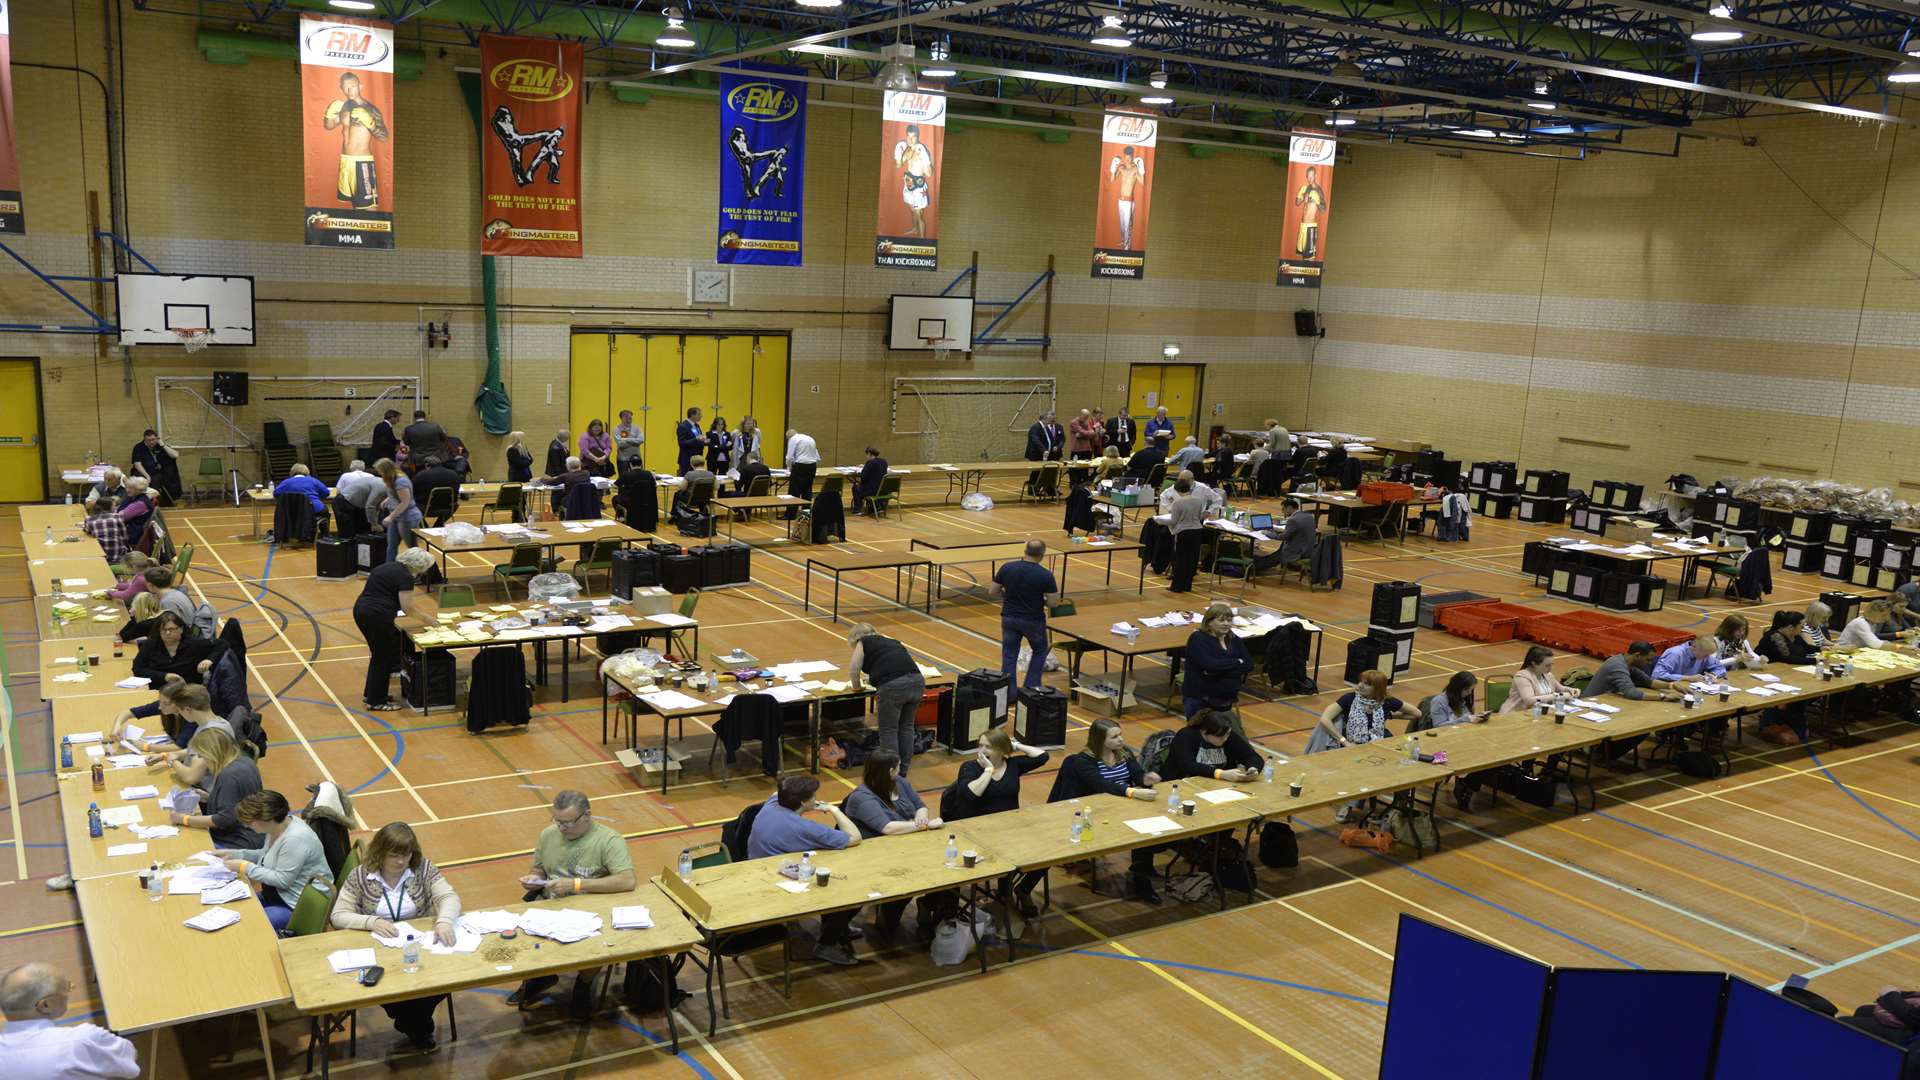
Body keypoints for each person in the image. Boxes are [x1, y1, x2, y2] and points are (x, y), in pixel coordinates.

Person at [329, 821, 460, 1052]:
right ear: (380, 853)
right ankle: (420, 1028)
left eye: (406, 855)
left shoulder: (424, 869)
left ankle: (409, 1023)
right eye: (394, 856)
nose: (401, 862)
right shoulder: (360, 876)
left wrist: (444, 921)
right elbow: (338, 915)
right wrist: (372, 922)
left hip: (419, 947)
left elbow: (448, 897)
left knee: (443, 978)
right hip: (380, 952)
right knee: (385, 985)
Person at [510, 792, 636, 1017]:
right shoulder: (548, 835)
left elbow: (627, 880)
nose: (562, 828)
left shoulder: (609, 840)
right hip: (551, 905)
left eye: (567, 822)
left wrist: (576, 884)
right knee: (522, 936)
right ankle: (541, 976)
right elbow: (539, 868)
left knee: (594, 944)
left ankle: (584, 984)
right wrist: (533, 879)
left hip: (590, 911)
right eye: (557, 821)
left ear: (587, 815)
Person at [747, 776, 865, 965]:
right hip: (777, 885)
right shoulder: (805, 828)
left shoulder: (771, 804)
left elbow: (776, 792)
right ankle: (826, 944)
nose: (816, 798)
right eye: (813, 796)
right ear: (803, 801)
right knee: (852, 895)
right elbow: (854, 837)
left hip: (756, 871)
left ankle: (835, 927)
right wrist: (834, 809)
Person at [1046, 717, 1162, 900]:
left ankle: (1141, 876)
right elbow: (1101, 785)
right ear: (1101, 740)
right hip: (1097, 810)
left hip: (1123, 803)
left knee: (1147, 828)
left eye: (1120, 734)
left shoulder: (1124, 753)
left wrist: (1147, 779)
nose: (1121, 740)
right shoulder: (1083, 761)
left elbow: (1137, 775)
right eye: (1115, 737)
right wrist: (1132, 792)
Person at [946, 727, 1049, 916]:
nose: (982, 750)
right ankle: (1005, 893)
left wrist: (1015, 745)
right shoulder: (969, 767)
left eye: (989, 747)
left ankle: (1022, 889)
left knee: (1047, 853)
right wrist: (988, 770)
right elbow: (971, 795)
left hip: (1010, 829)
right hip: (979, 833)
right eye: (980, 746)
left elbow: (1042, 757)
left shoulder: (1013, 765)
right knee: (1006, 857)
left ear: (1002, 750)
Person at [841, 751, 941, 938]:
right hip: (876, 855)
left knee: (942, 874)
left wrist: (921, 817)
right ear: (888, 771)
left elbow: (920, 805)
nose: (900, 769)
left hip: (907, 846)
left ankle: (931, 909)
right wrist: (924, 825)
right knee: (906, 885)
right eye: (897, 767)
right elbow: (887, 828)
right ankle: (887, 923)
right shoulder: (862, 797)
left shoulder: (900, 783)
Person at [215, 790, 331, 933]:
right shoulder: (277, 827)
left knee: (245, 926)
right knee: (231, 911)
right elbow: (266, 856)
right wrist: (235, 854)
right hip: (275, 895)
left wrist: (245, 867)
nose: (246, 826)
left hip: (295, 905)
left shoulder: (294, 839)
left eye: (250, 822)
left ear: (268, 819)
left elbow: (283, 880)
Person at [0, 963, 140, 1078]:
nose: (68, 992)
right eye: (66, 988)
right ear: (46, 1005)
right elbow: (128, 1059)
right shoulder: (82, 1039)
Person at [1313, 672, 1419, 820]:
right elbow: (1325, 719)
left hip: (1379, 744)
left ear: (1378, 689)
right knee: (1360, 768)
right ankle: (1348, 805)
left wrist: (1390, 715)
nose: (1360, 685)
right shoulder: (1349, 699)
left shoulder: (1386, 702)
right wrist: (1344, 741)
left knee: (1404, 766)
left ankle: (1399, 805)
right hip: (1353, 745)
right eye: (1361, 681)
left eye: (1367, 684)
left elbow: (1416, 713)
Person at [355, 548, 435, 711]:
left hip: (363, 610)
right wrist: (428, 619)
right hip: (376, 616)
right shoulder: (405, 577)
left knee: (379, 655)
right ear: (418, 566)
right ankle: (376, 701)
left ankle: (372, 694)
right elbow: (408, 608)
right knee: (382, 658)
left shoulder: (387, 567)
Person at [1583, 641, 1684, 770]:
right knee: (1639, 729)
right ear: (1637, 655)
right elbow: (1632, 693)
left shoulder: (1625, 661)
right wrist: (1663, 697)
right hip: (1592, 709)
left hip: (1608, 705)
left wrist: (1671, 685)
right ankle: (1600, 755)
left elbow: (1649, 682)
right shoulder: (1617, 666)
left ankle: (1603, 752)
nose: (1649, 663)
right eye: (1647, 660)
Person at [846, 623, 926, 774]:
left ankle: (890, 771)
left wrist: (856, 687)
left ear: (856, 639)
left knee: (889, 730)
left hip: (893, 687)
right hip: (917, 682)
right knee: (907, 727)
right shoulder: (892, 641)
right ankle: (903, 771)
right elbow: (894, 663)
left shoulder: (863, 642)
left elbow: (854, 669)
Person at [168, 727, 263, 850]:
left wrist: (185, 819)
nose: (201, 760)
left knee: (184, 845)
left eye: (201, 755)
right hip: (255, 834)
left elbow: (225, 819)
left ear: (211, 754)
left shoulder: (228, 775)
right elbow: (239, 801)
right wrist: (210, 798)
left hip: (238, 840)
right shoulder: (246, 761)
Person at [988, 539, 1061, 690]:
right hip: (1032, 620)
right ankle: (1031, 688)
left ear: (1025, 551)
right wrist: (1043, 601)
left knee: (1009, 654)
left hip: (1009, 618)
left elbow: (992, 591)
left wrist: (1008, 597)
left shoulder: (1007, 568)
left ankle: (1008, 692)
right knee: (1040, 650)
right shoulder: (1045, 575)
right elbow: (1054, 602)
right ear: (1042, 554)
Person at [324, 70, 388, 210]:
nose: (349, 90)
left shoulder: (370, 109)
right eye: (346, 87)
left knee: (369, 209)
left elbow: (384, 136)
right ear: (341, 88)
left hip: (362, 162)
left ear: (360, 86)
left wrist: (370, 123)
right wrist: (329, 113)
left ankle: (370, 233)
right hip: (345, 161)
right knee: (354, 206)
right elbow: (329, 126)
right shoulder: (344, 107)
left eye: (353, 86)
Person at [1184, 602, 1253, 718]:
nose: (1226, 624)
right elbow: (1209, 665)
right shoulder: (1198, 639)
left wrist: (1218, 672)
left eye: (1229, 620)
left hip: (1226, 697)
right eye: (1221, 620)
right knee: (1200, 733)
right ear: (1209, 622)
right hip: (1201, 698)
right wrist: (1236, 662)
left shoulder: (1233, 638)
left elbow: (1249, 664)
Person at [1755, 612, 1815, 743]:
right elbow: (1785, 658)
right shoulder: (1774, 637)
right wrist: (1814, 661)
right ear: (1790, 627)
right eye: (1801, 625)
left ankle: (1793, 719)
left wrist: (1824, 648)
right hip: (1771, 676)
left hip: (1792, 674)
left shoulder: (1795, 636)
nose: (1803, 628)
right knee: (1800, 692)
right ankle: (1779, 718)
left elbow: (1807, 648)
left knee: (1812, 690)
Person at [1164, 707, 1265, 784]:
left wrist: (1253, 768)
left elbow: (1252, 756)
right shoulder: (1186, 736)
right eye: (1220, 736)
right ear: (1204, 732)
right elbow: (1188, 766)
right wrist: (1221, 774)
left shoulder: (1227, 735)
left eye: (1227, 734)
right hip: (1184, 784)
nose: (1225, 739)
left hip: (1218, 785)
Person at [132, 611, 222, 687]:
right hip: (159, 689)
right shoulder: (151, 644)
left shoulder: (194, 643)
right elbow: (138, 669)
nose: (167, 633)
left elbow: (222, 644)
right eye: (163, 629)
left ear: (181, 629)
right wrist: (164, 676)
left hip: (188, 690)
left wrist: (209, 660)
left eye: (171, 629)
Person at [1502, 645, 1581, 711]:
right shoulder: (1522, 677)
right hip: (1516, 715)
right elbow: (1529, 700)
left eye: (1552, 664)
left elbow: (1561, 689)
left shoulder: (1547, 674)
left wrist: (1571, 690)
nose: (1551, 668)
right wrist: (1559, 696)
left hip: (1540, 713)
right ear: (1534, 664)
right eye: (1547, 665)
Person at [373, 458, 420, 564]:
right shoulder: (392, 479)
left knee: (412, 547)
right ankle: (389, 567)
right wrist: (388, 499)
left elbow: (405, 502)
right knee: (391, 545)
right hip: (397, 517)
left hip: (407, 517)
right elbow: (396, 494)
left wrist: (390, 517)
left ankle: (422, 571)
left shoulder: (400, 481)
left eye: (380, 471)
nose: (379, 473)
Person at [1254, 497, 1318, 571]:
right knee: (1277, 552)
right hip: (1309, 551)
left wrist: (1267, 533)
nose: (1282, 512)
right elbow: (1297, 531)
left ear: (1289, 508)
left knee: (1274, 557)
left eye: (1283, 509)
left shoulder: (1293, 520)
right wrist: (1276, 530)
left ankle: (1252, 568)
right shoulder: (1309, 516)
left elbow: (1283, 537)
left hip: (1296, 553)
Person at [893, 123, 934, 236]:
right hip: (908, 184)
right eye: (908, 136)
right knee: (912, 209)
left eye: (913, 136)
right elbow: (898, 165)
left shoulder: (922, 150)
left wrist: (925, 160)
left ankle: (922, 239)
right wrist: (898, 155)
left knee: (919, 213)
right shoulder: (906, 149)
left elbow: (929, 174)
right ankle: (915, 229)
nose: (910, 139)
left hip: (918, 187)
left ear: (918, 136)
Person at [1166, 479, 1206, 593]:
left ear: (1178, 490)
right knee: (1192, 559)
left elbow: (1173, 521)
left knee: (1180, 559)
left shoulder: (1178, 503)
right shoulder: (1198, 501)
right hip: (1197, 531)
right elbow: (1199, 517)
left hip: (1184, 532)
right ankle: (1187, 585)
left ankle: (1177, 586)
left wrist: (1159, 521)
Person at [1837, 598, 1916, 649]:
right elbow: (1875, 644)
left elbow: (1874, 640)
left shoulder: (1872, 623)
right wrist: (1904, 647)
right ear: (1874, 612)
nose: (1886, 618)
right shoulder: (1860, 623)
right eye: (1884, 615)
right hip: (1842, 653)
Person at [1108, 144, 1147, 248]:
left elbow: (1142, 182)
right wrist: (1113, 169)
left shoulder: (1135, 169)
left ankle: (1127, 245)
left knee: (1127, 225)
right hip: (1120, 200)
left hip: (1129, 201)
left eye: (1129, 158)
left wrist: (1141, 169)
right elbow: (1112, 179)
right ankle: (1123, 241)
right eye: (1126, 158)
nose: (1127, 160)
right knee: (1121, 224)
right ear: (1124, 156)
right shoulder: (1121, 167)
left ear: (1132, 156)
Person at [1650, 634, 1727, 684]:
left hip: (1690, 689)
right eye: (1706, 655)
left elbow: (1720, 667)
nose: (1707, 658)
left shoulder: (1704, 654)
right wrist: (1687, 678)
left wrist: (1712, 675)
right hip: (1669, 689)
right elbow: (1656, 675)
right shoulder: (1675, 654)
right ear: (1694, 647)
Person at [129, 429, 181, 504]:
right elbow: (137, 464)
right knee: (141, 480)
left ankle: (152, 502)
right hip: (142, 472)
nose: (151, 442)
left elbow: (175, 455)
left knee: (159, 479)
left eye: (153, 440)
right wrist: (147, 476)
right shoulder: (138, 447)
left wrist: (162, 444)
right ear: (144, 439)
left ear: (156, 439)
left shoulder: (160, 446)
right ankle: (139, 502)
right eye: (148, 440)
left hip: (156, 472)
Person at [332, 460, 382, 537]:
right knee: (362, 530)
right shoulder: (371, 476)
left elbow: (338, 492)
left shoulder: (345, 475)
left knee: (347, 529)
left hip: (347, 503)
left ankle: (347, 545)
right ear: (364, 467)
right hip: (362, 505)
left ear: (350, 467)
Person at [1294, 165, 1327, 259]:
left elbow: (1323, 209)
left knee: (1309, 257)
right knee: (1301, 254)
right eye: (1308, 176)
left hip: (1310, 226)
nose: (1309, 178)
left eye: (1311, 176)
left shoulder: (1319, 191)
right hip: (1303, 225)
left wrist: (1317, 201)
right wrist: (1299, 195)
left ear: (1315, 175)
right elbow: (1297, 203)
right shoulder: (1307, 188)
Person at [82, 499, 129, 563]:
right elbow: (125, 537)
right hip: (118, 557)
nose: (115, 508)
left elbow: (86, 531)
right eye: (114, 506)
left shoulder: (89, 519)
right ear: (109, 507)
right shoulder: (117, 517)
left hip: (99, 556)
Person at [785, 428, 821, 502]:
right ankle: (806, 511)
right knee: (807, 490)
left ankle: (791, 513)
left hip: (800, 466)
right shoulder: (809, 438)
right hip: (812, 466)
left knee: (794, 491)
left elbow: (789, 457)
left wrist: (789, 469)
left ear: (789, 437)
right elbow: (817, 457)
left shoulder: (792, 439)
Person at [115, 476, 155, 543]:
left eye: (131, 488)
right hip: (130, 530)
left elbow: (120, 517)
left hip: (133, 534)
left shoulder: (140, 504)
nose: (127, 490)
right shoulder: (133, 497)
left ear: (139, 489)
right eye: (127, 487)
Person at [851, 446, 889, 514]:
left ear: (869, 454)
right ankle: (876, 507)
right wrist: (865, 466)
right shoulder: (884, 461)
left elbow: (863, 476)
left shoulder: (870, 463)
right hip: (882, 490)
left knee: (855, 488)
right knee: (868, 486)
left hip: (872, 490)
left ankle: (858, 510)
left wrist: (864, 467)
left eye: (867, 454)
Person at [675, 408, 706, 474]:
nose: (701, 416)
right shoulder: (683, 426)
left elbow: (698, 438)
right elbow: (682, 443)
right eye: (699, 414)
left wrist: (704, 441)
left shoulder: (696, 425)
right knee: (687, 481)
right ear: (692, 415)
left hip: (697, 459)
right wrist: (696, 439)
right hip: (687, 459)